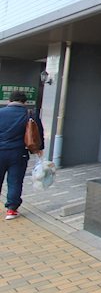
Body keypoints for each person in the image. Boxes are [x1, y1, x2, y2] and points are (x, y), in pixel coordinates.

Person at [0, 91, 43, 220]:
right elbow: (38, 133)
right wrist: (39, 149)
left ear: (9, 101)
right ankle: (11, 210)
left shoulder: (1, 112)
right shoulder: (30, 114)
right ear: (24, 102)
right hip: (19, 153)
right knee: (15, 181)